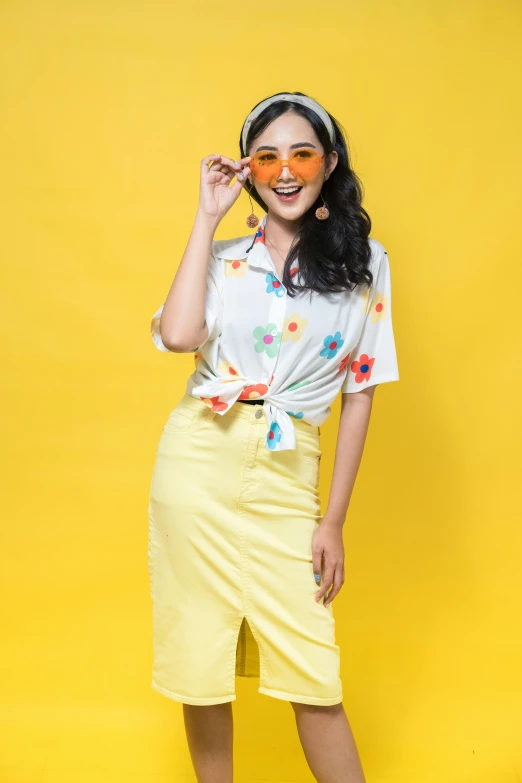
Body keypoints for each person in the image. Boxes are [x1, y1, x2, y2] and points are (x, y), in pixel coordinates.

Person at [148, 91, 400, 783]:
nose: (285, 170)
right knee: (200, 663)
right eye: (267, 156)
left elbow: (361, 391)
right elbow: (177, 335)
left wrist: (334, 518)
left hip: (290, 472)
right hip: (198, 462)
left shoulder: (365, 265)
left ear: (329, 163)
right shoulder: (226, 258)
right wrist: (207, 216)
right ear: (249, 170)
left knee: (312, 669)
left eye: (301, 153)